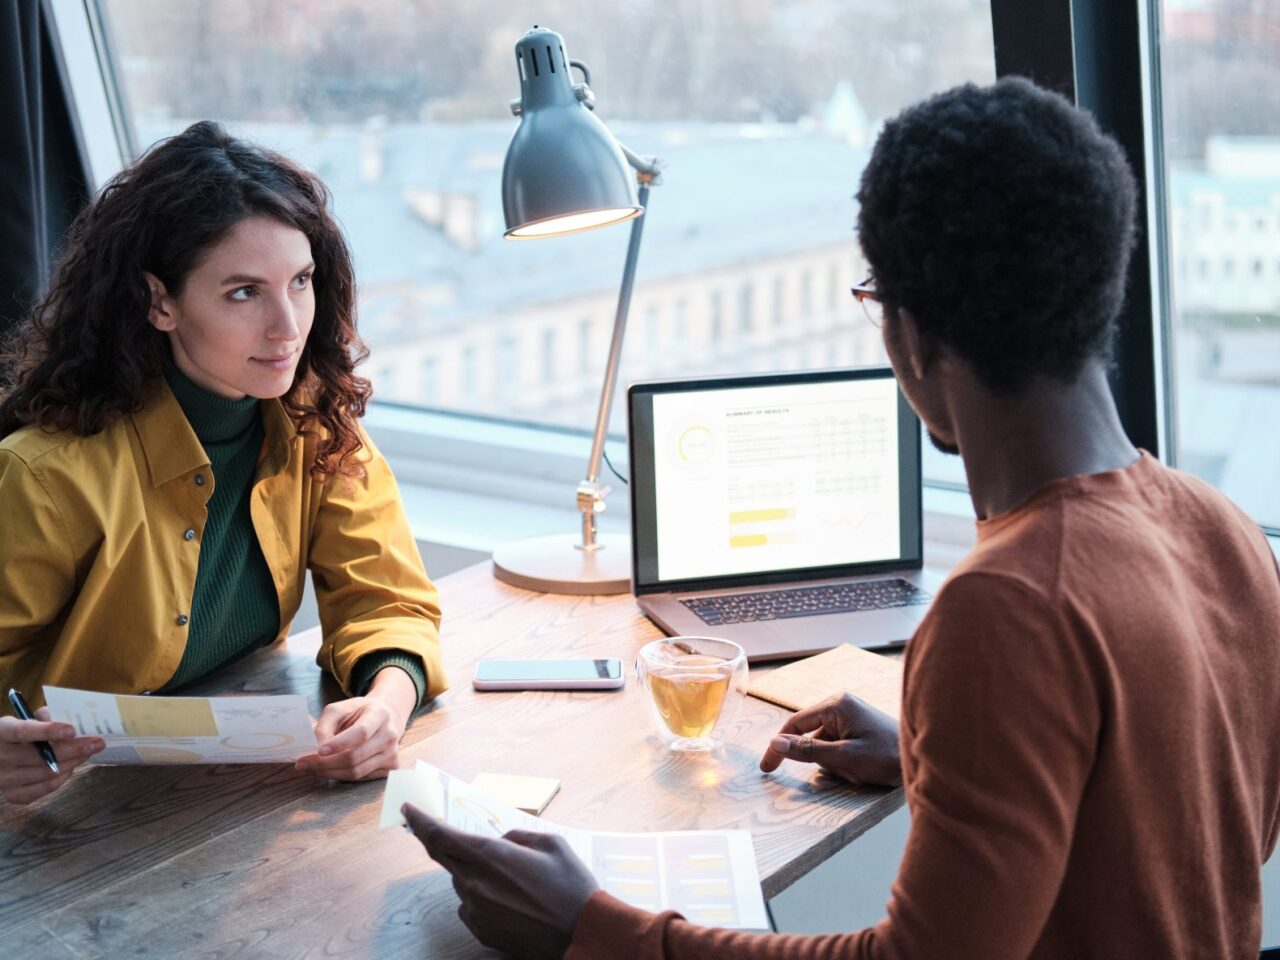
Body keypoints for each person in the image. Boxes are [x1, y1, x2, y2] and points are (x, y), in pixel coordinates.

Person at [403, 77, 1280, 958]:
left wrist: (589, 924)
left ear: (911, 330)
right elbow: (1181, 820)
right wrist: (936, 756)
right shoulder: (1224, 532)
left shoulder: (1011, 605)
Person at [0, 122, 447, 804]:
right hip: (59, 813)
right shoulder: (44, 476)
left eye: (299, 281)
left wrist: (387, 704)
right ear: (160, 302)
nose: (287, 326)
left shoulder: (315, 422)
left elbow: (386, 601)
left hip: (219, 794)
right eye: (244, 292)